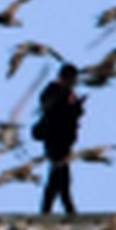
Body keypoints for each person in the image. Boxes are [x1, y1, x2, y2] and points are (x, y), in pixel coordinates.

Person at [35, 64, 87, 216]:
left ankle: (54, 211)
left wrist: (76, 108)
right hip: (55, 140)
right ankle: (65, 211)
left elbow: (70, 116)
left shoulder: (68, 93)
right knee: (60, 176)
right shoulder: (53, 91)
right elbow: (52, 112)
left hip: (64, 140)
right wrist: (68, 105)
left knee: (58, 177)